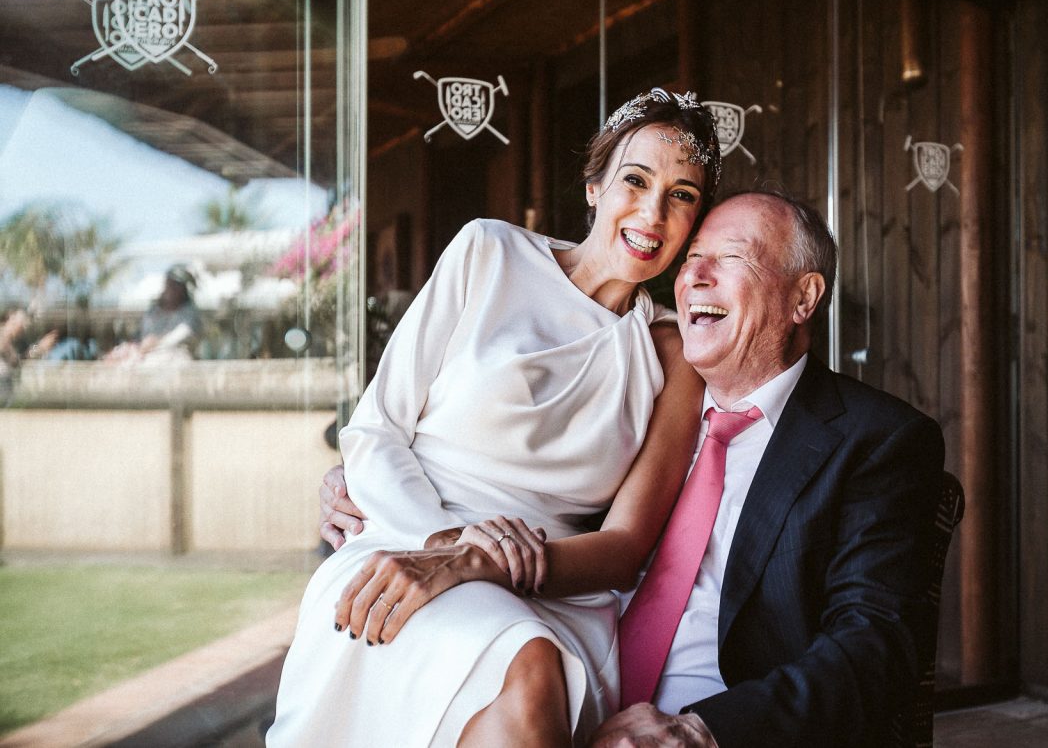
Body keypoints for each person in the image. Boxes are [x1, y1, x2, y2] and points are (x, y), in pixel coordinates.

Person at [322, 191, 945, 747]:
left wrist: (702, 729)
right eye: (691, 256)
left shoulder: (877, 440)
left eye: (730, 259)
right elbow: (518, 478)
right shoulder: (637, 399)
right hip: (563, 669)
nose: (693, 276)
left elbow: (876, 646)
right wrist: (360, 488)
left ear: (804, 297)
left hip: (712, 719)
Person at [269, 88, 722, 747]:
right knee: (521, 664)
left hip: (548, 589)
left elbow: (624, 550)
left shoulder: (673, 352)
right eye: (635, 179)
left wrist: (488, 562)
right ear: (594, 186)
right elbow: (376, 428)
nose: (653, 212)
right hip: (405, 538)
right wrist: (443, 548)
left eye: (682, 194)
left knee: (536, 664)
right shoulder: (490, 254)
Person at [105, 264, 203, 363]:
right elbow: (140, 337)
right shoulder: (153, 311)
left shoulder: (190, 316)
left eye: (176, 285)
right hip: (143, 358)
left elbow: (177, 337)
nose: (171, 289)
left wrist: (152, 343)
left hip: (172, 361)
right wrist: (128, 348)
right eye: (169, 283)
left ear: (184, 290)